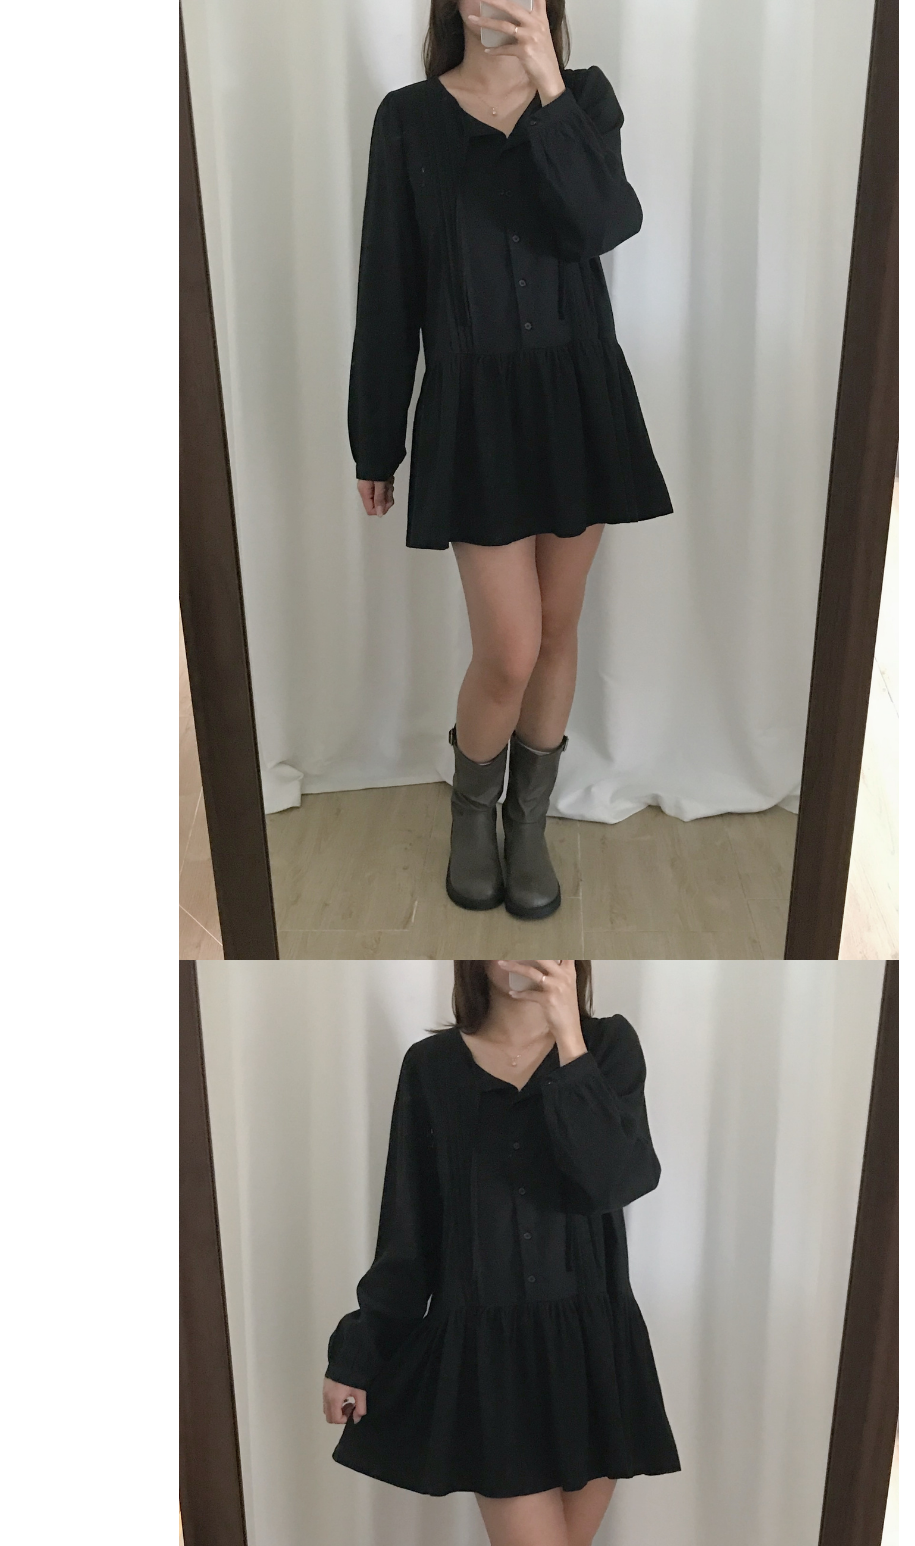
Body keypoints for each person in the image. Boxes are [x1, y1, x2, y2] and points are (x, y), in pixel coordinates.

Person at [324, 959, 680, 1546]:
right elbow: (408, 1233)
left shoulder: (607, 1048)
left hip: (594, 1351)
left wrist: (568, 1037)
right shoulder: (433, 1070)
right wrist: (360, 1351)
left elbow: (619, 1177)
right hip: (493, 1363)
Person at [348, 3, 673, 920]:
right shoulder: (409, 119)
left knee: (558, 632)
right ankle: (471, 816)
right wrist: (376, 436)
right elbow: (388, 284)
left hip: (577, 399)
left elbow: (607, 222)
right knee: (510, 648)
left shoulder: (584, 101)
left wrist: (548, 85)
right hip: (475, 412)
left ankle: (527, 826)